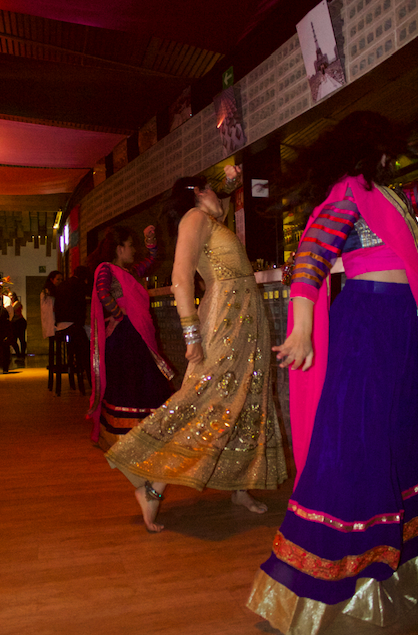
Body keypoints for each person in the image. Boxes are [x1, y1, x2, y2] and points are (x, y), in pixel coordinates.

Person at [247, 112, 418, 633]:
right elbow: (310, 259)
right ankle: (318, 588)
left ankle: (387, 565)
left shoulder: (392, 198)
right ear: (375, 147)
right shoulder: (350, 191)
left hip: (400, 327)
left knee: (396, 442)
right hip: (367, 324)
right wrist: (301, 330)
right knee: (352, 445)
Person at [104, 165, 288, 532]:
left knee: (247, 400)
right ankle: (152, 489)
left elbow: (223, 210)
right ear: (201, 192)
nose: (221, 196)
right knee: (206, 400)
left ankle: (239, 486)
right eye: (214, 189)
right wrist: (192, 336)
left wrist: (230, 182)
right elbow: (180, 277)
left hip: (245, 322)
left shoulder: (211, 221)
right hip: (226, 321)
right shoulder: (195, 217)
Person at [87, 224, 174, 452]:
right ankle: (125, 436)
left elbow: (151, 259)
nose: (134, 250)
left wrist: (150, 240)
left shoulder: (129, 272)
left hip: (134, 334)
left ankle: (144, 434)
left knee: (143, 382)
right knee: (130, 383)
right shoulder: (106, 269)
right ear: (119, 248)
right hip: (124, 336)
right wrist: (119, 314)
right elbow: (102, 292)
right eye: (130, 245)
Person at [54, 266, 91, 385]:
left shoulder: (63, 284)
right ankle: (89, 378)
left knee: (80, 343)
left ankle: (75, 369)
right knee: (87, 347)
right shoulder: (79, 284)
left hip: (60, 324)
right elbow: (84, 302)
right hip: (73, 324)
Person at [40, 270, 63, 339]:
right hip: (53, 320)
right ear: (52, 280)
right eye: (58, 279)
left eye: (61, 280)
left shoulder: (60, 291)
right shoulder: (46, 293)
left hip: (59, 320)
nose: (60, 281)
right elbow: (47, 310)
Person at [8, 291, 27, 363]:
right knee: (13, 340)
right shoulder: (11, 304)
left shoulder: (17, 303)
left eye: (11, 296)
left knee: (21, 339)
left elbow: (11, 310)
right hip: (14, 323)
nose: (10, 297)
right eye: (9, 296)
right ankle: (19, 355)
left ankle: (21, 355)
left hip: (19, 322)